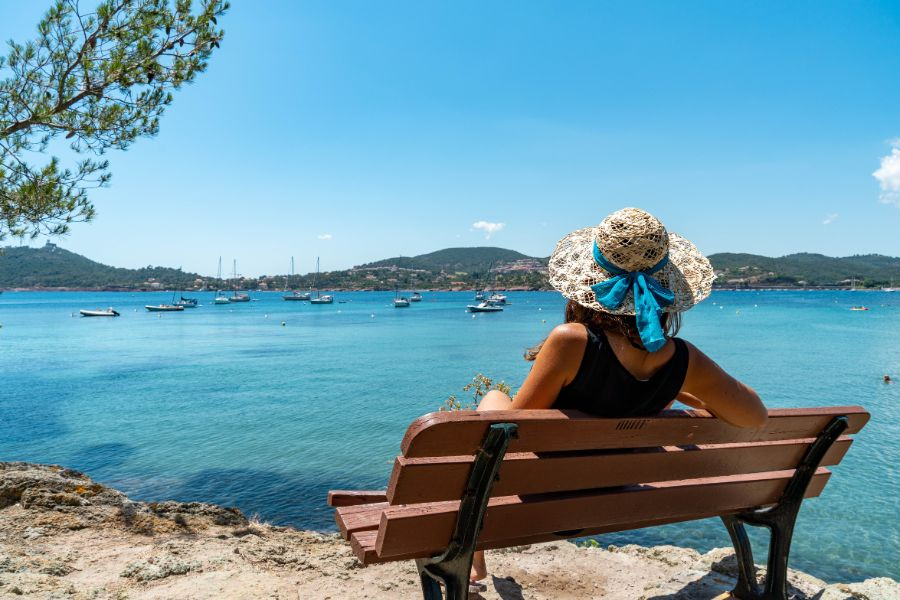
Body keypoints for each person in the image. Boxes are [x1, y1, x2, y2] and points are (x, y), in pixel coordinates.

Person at [469, 207, 767, 589]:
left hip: (547, 497)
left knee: (494, 398)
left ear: (588, 282)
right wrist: (688, 390)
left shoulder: (571, 341)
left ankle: (474, 558)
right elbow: (755, 416)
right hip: (617, 497)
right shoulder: (683, 359)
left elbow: (516, 435)